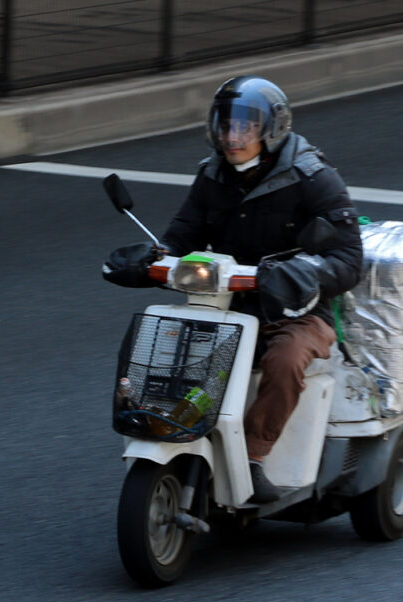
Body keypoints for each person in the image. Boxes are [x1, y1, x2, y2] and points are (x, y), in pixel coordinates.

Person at [102, 75, 363, 503]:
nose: (233, 136)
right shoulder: (213, 175)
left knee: (285, 358)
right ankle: (172, 430)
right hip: (225, 304)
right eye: (226, 125)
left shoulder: (314, 177)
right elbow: (182, 235)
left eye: (245, 126)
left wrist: (299, 273)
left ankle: (255, 458)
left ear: (272, 128)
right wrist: (154, 257)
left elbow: (349, 259)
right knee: (165, 343)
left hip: (297, 311)